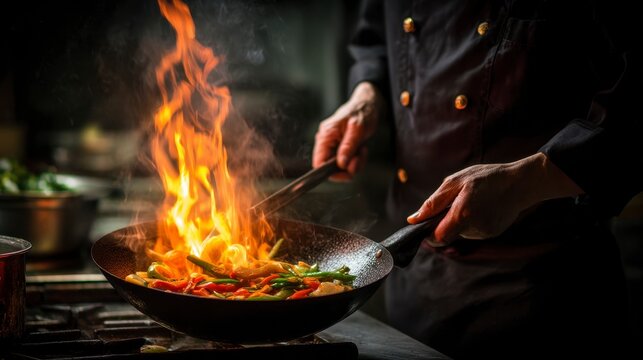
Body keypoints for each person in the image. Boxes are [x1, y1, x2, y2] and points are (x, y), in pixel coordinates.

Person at [312, 1, 643, 358]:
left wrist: (528, 180)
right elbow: (375, 30)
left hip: (540, 292)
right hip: (414, 278)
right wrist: (367, 94)